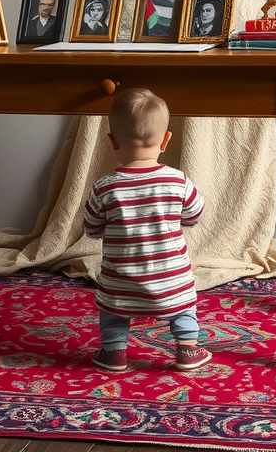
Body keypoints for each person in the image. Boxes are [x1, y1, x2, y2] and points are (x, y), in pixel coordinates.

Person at [83, 87, 209, 373]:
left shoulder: (104, 187)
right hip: (171, 283)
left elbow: (91, 227)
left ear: (111, 141)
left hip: (121, 284)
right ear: (166, 140)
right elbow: (195, 214)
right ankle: (187, 348)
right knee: (184, 304)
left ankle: (114, 353)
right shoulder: (178, 181)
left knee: (112, 311)